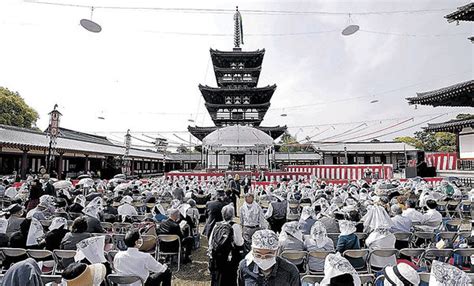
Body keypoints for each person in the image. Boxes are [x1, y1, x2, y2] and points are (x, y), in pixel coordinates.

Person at [208, 204, 244, 286]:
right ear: (233, 215)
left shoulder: (217, 225)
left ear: (222, 214)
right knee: (229, 278)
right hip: (230, 257)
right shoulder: (235, 226)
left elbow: (210, 242)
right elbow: (239, 243)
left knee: (217, 277)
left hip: (217, 257)